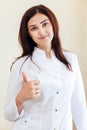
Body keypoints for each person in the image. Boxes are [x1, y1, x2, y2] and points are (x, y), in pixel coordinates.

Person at [4, 4, 87, 130]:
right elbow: (8, 115)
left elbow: (79, 105)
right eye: (34, 28)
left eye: (45, 24)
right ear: (29, 34)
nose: (42, 32)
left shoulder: (71, 59)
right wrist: (20, 98)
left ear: (53, 24)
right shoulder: (21, 65)